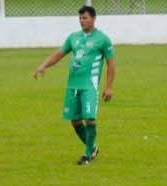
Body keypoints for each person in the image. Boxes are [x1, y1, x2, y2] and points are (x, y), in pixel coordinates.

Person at [33, 6, 116, 166]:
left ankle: (87, 155)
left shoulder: (102, 39)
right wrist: (44, 65)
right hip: (72, 86)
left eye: (85, 18)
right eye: (80, 18)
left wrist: (109, 87)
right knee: (75, 121)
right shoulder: (73, 37)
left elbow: (111, 64)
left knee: (89, 118)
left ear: (93, 19)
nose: (82, 21)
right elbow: (59, 54)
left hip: (89, 86)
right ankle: (93, 147)